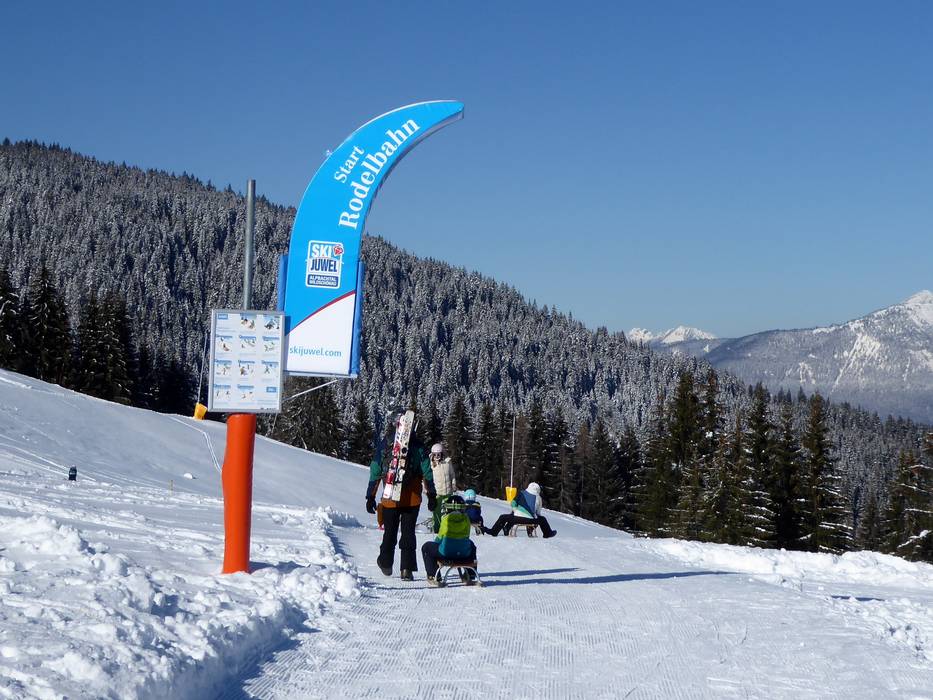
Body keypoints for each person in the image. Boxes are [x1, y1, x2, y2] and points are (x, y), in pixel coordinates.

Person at [366, 409, 437, 581]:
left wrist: (370, 496)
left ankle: (386, 562)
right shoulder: (418, 446)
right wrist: (432, 495)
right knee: (408, 533)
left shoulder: (385, 444)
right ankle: (407, 569)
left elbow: (375, 470)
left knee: (389, 532)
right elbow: (427, 472)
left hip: (390, 498)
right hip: (412, 499)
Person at [421, 495, 478, 586]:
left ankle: (433, 575)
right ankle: (470, 575)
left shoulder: (446, 519)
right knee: (471, 545)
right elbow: (466, 536)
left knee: (426, 547)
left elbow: (439, 538)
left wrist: (437, 545)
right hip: (464, 553)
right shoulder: (466, 519)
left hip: (447, 553)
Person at [484, 481, 557, 538]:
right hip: (530, 520)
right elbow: (538, 513)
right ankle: (547, 533)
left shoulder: (522, 493)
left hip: (517, 518)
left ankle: (494, 532)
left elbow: (513, 503)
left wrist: (515, 510)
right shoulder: (538, 498)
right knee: (542, 519)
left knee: (502, 517)